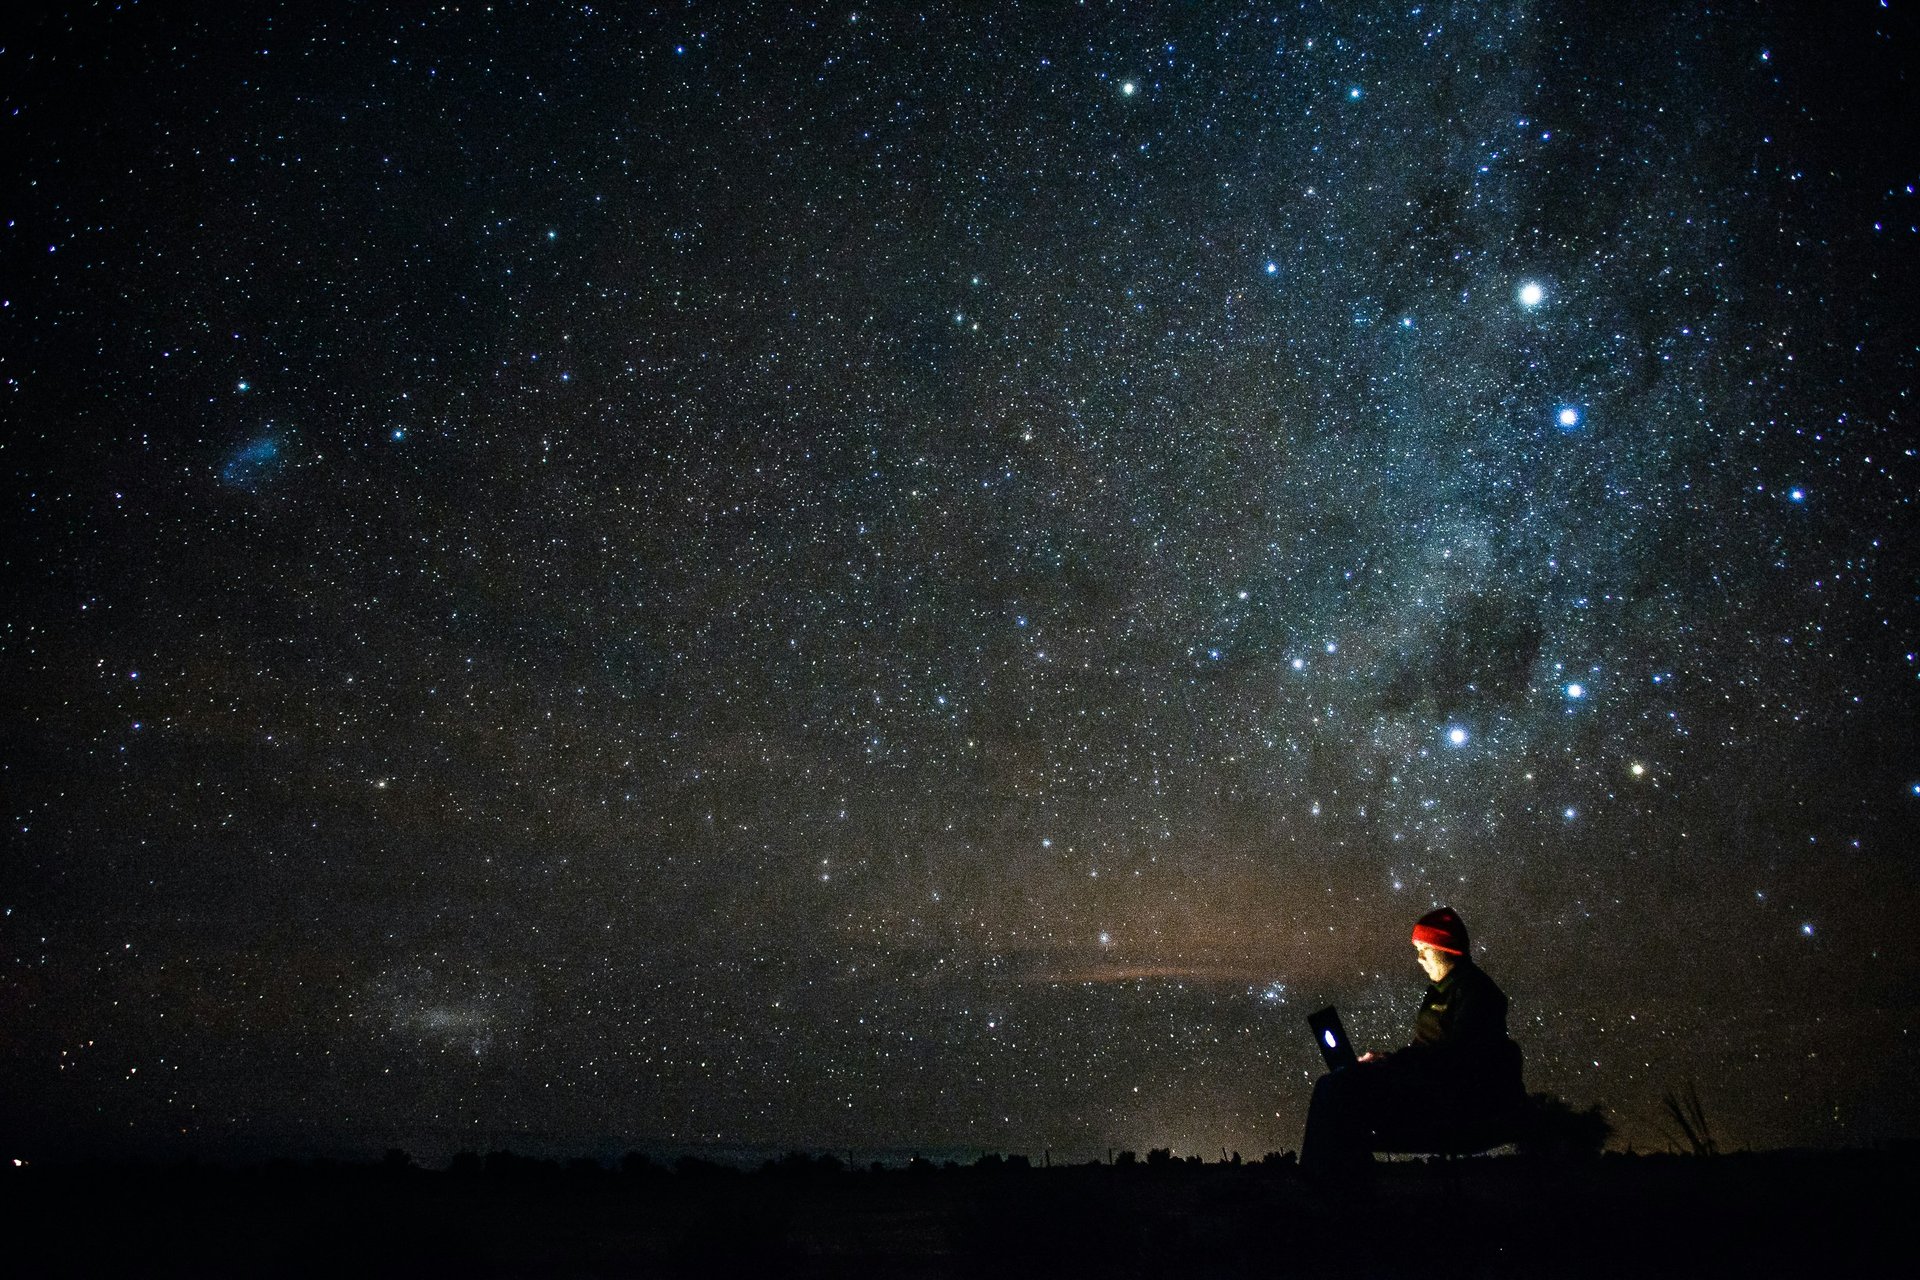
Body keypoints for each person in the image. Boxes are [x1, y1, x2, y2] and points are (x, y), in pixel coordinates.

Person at [1299, 907, 1524, 1176]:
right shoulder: (1439, 993)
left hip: (1449, 1096)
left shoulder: (1477, 993)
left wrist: (1394, 1064)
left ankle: (1325, 1183)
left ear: (1446, 949)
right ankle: (1341, 1182)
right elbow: (1426, 1051)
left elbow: (1457, 1057)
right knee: (1339, 1084)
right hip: (1427, 1086)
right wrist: (1388, 1062)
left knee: (1337, 1087)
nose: (1419, 959)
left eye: (1424, 949)